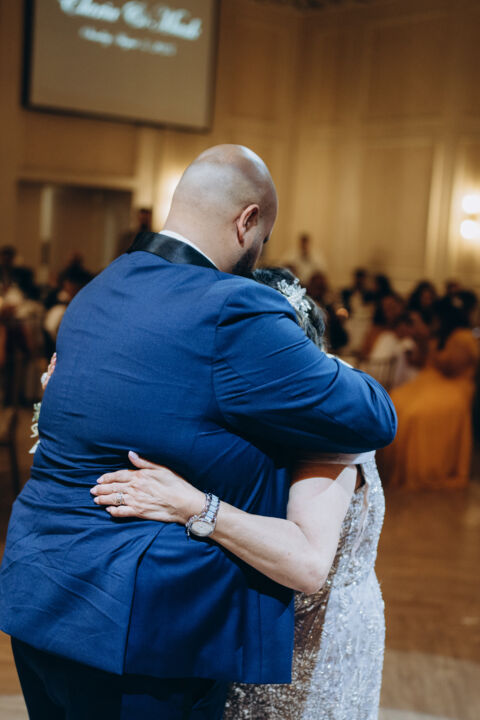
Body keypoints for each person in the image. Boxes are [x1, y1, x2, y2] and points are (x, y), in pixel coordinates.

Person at [0, 145, 396, 720]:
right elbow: (373, 416)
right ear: (247, 222)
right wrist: (316, 359)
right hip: (141, 624)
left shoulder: (97, 291)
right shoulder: (233, 309)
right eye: (262, 240)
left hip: (38, 592)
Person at [89, 267, 387, 720]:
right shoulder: (254, 400)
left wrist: (192, 505)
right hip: (255, 631)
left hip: (316, 639)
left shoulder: (329, 417)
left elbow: (308, 564)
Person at [379, 292, 479, 490]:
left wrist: (431, 348)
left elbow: (452, 367)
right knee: (396, 400)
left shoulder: (463, 337)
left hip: (456, 386)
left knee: (416, 413)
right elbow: (423, 361)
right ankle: (391, 466)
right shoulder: (443, 337)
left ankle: (420, 469)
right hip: (433, 380)